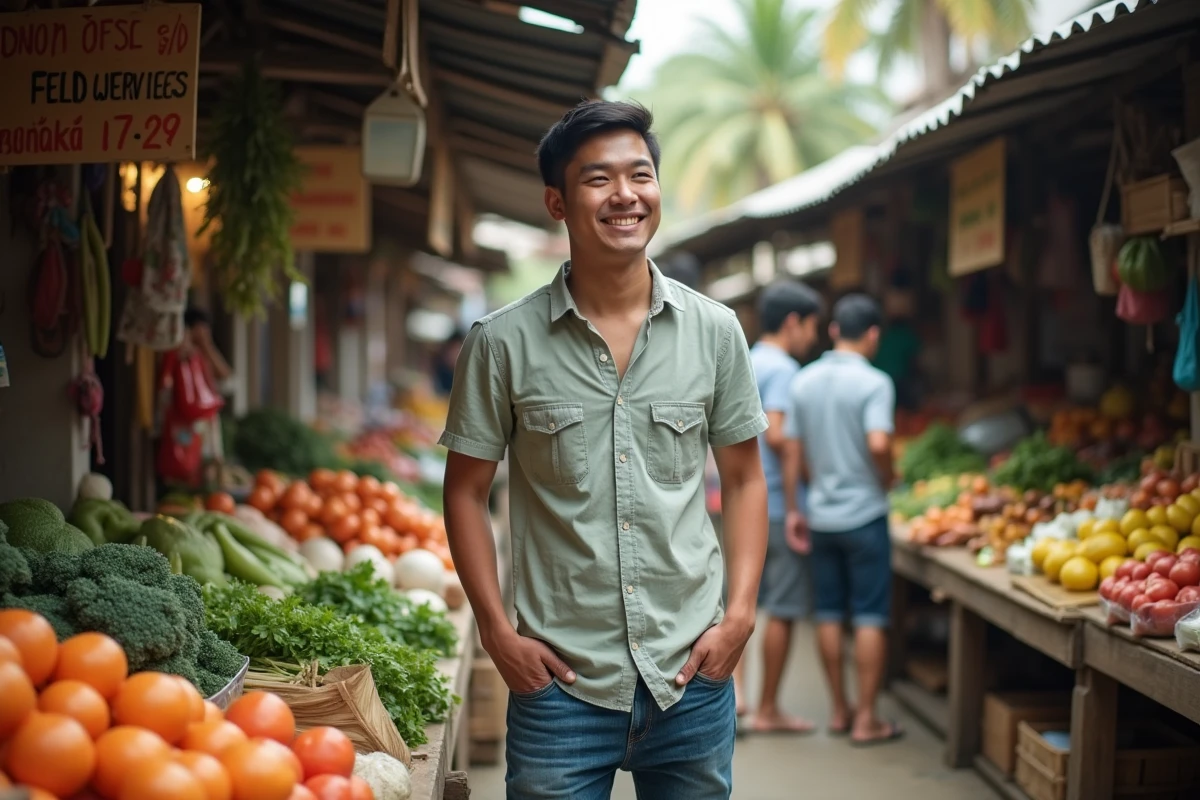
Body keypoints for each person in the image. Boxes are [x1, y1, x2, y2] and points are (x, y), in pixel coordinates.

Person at [439, 100, 769, 800]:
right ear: (557, 202)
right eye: (598, 179)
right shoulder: (501, 343)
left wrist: (740, 615)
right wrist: (496, 633)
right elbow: (465, 491)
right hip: (560, 685)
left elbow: (744, 480)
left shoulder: (715, 332)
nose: (625, 194)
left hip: (690, 678)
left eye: (640, 175)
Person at [786, 293, 903, 747]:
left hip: (821, 515)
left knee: (829, 612)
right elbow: (879, 443)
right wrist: (888, 477)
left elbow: (794, 451)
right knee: (870, 614)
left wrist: (798, 503)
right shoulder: (875, 383)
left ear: (834, 330)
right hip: (865, 514)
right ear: (873, 335)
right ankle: (867, 719)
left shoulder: (803, 381)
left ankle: (839, 709)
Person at [738, 279, 822, 734]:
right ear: (793, 323)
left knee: (740, 601)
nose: (813, 336)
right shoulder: (785, 369)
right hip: (773, 502)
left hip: (741, 500)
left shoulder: (747, 357)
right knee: (784, 608)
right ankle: (768, 708)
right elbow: (779, 436)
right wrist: (796, 503)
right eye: (811, 326)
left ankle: (738, 697)